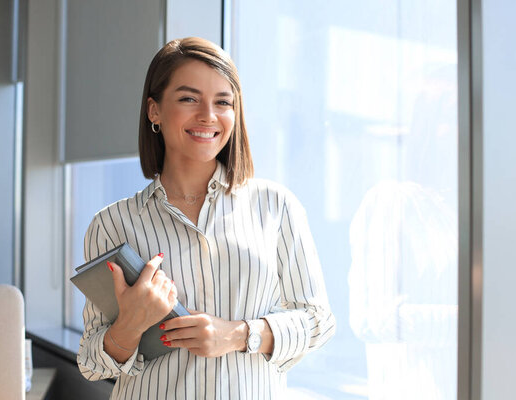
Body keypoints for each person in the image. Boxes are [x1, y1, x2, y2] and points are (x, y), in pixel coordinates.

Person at [77, 37, 335, 399]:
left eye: (223, 102)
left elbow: (318, 323)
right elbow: (91, 363)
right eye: (188, 98)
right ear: (154, 111)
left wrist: (238, 334)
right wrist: (130, 325)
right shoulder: (112, 224)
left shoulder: (276, 207)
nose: (208, 116)